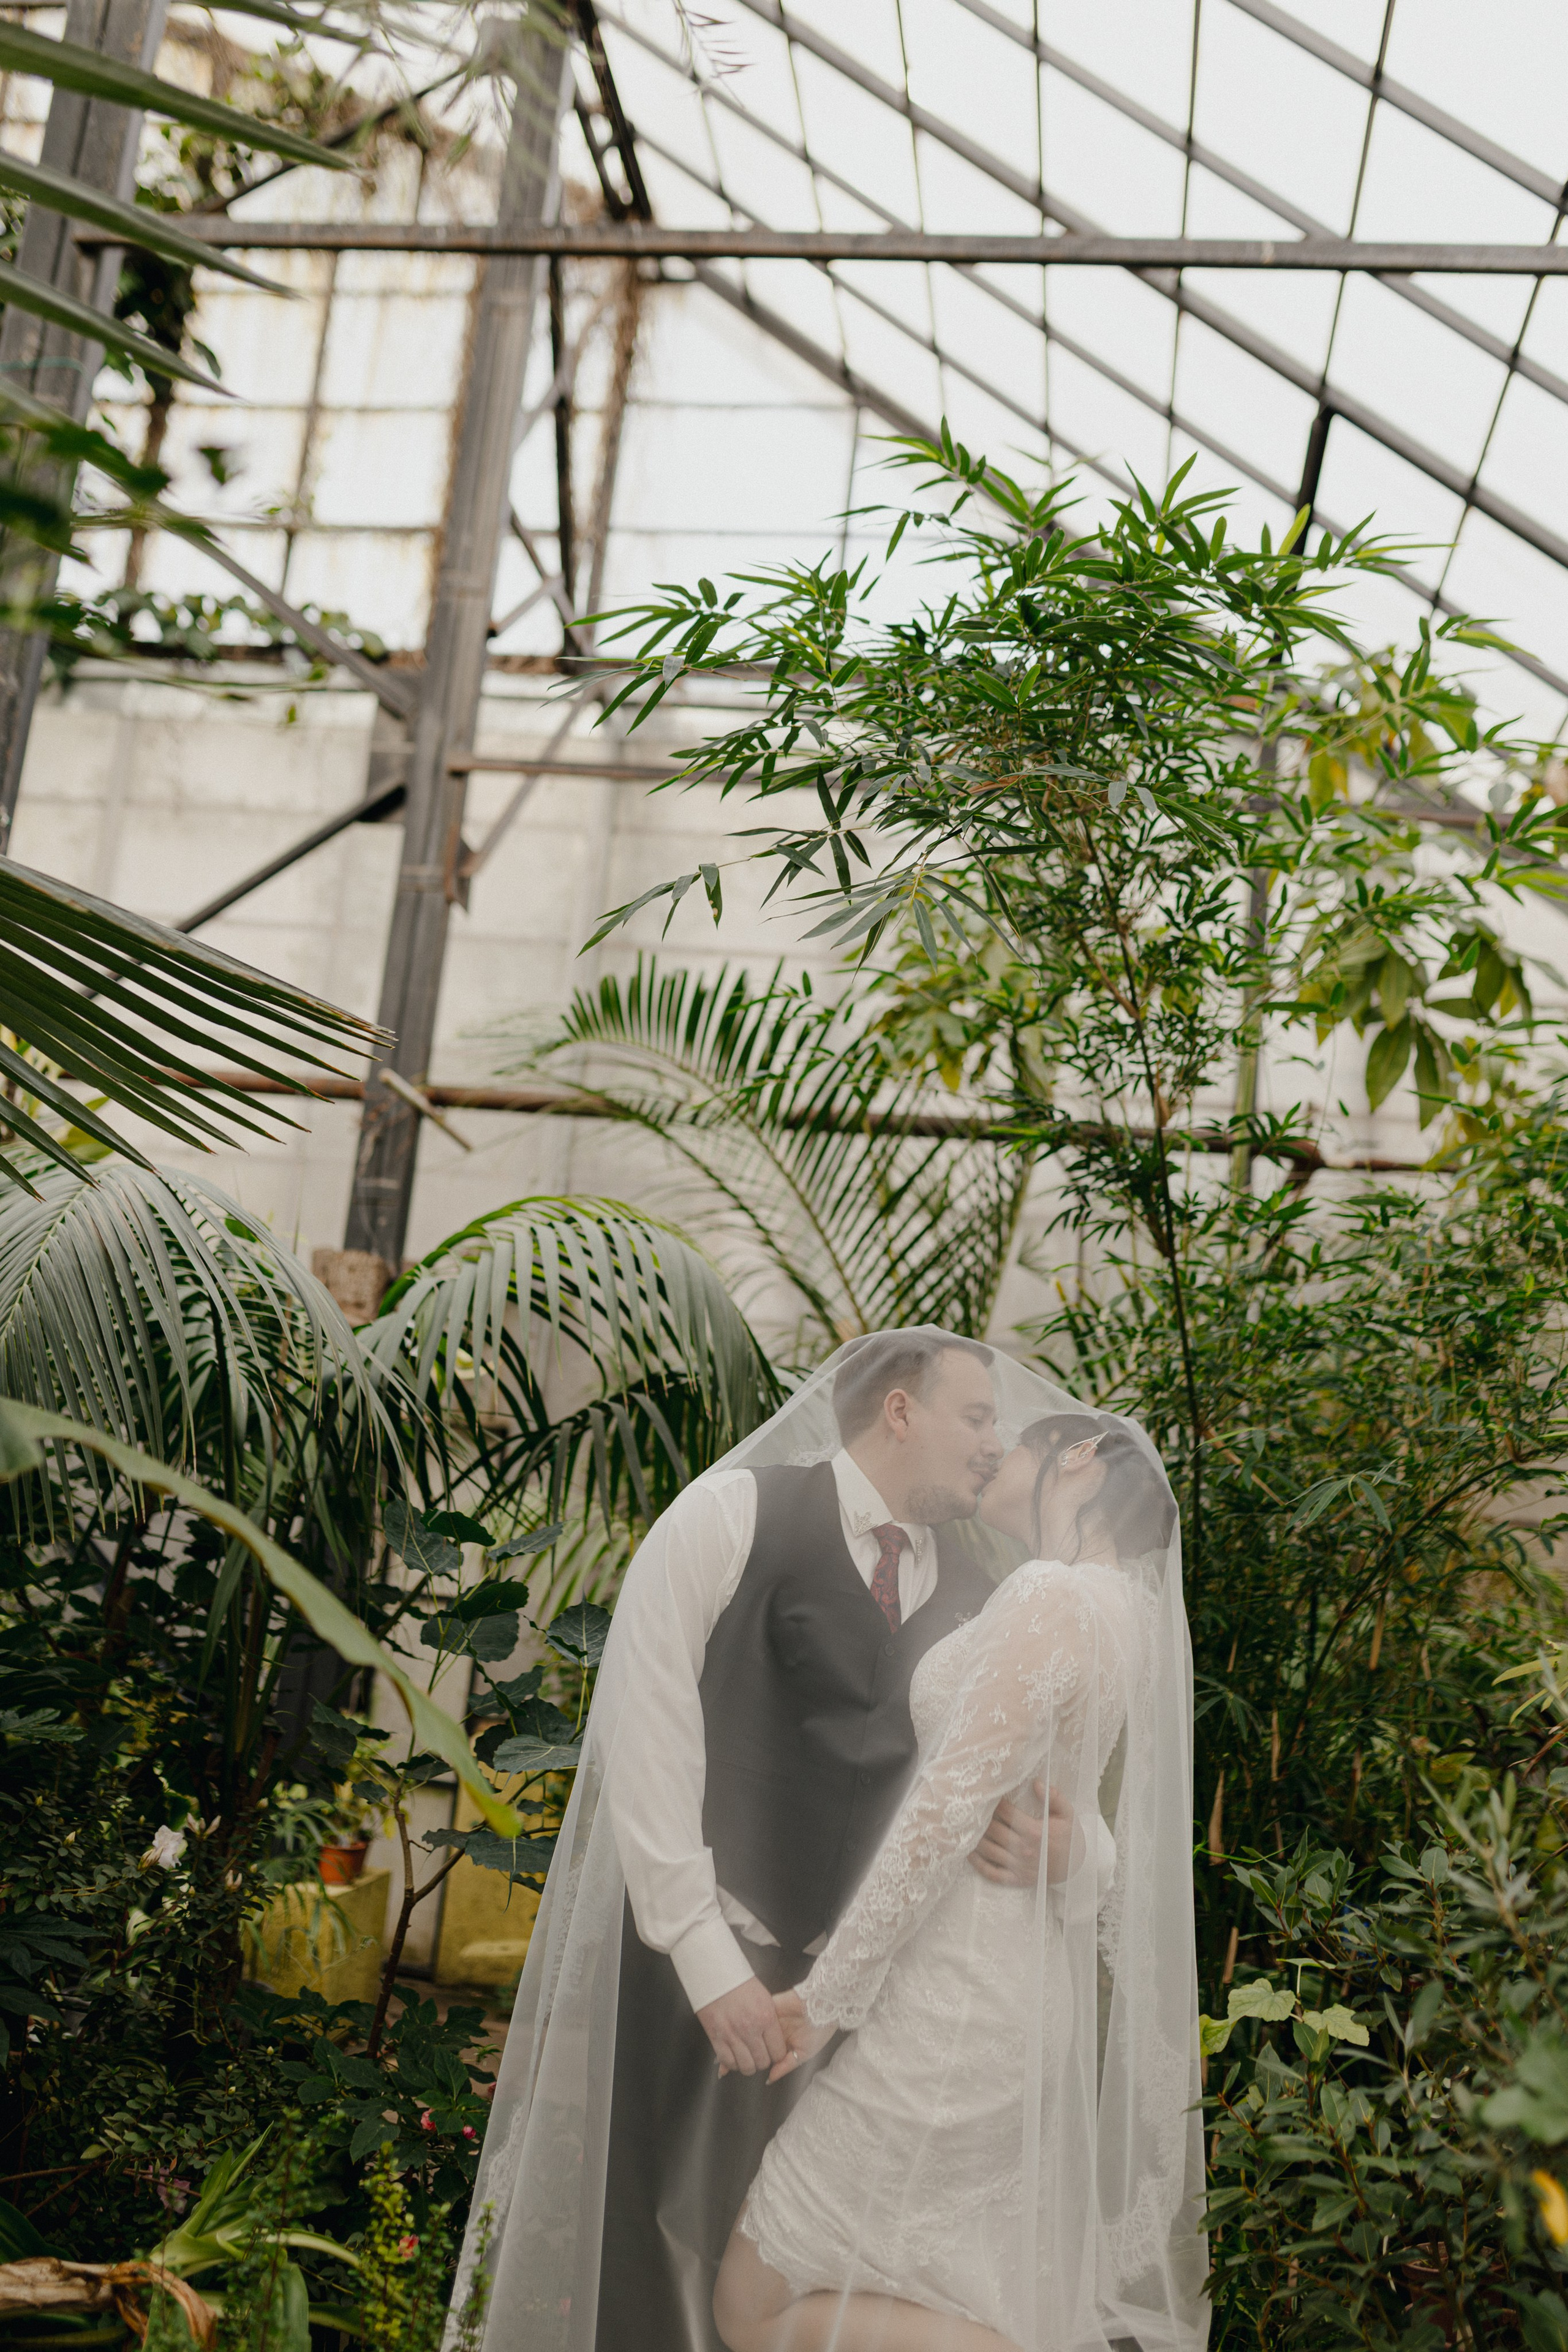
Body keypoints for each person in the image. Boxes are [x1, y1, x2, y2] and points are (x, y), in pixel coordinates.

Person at [455, 1335, 1206, 2352]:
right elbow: (648, 1731)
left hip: (879, 2013)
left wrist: (1082, 1859)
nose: (993, 1445)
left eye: (1005, 1430)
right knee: (656, 2252)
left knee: (798, 2290)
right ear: (900, 1412)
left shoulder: (991, 1592)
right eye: (978, 1418)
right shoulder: (732, 1516)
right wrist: (708, 1959)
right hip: (711, 1976)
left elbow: (1023, 1790)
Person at [711, 1413, 1186, 2351]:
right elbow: (1077, 1799)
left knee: (750, 2305)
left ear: (1077, 1457)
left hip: (955, 2014)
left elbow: (944, 1812)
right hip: (1010, 2000)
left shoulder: (1051, 1594)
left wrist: (826, 1998)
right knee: (953, 2296)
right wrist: (1081, 1851)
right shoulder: (1123, 1612)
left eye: (1013, 1443)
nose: (991, 1454)